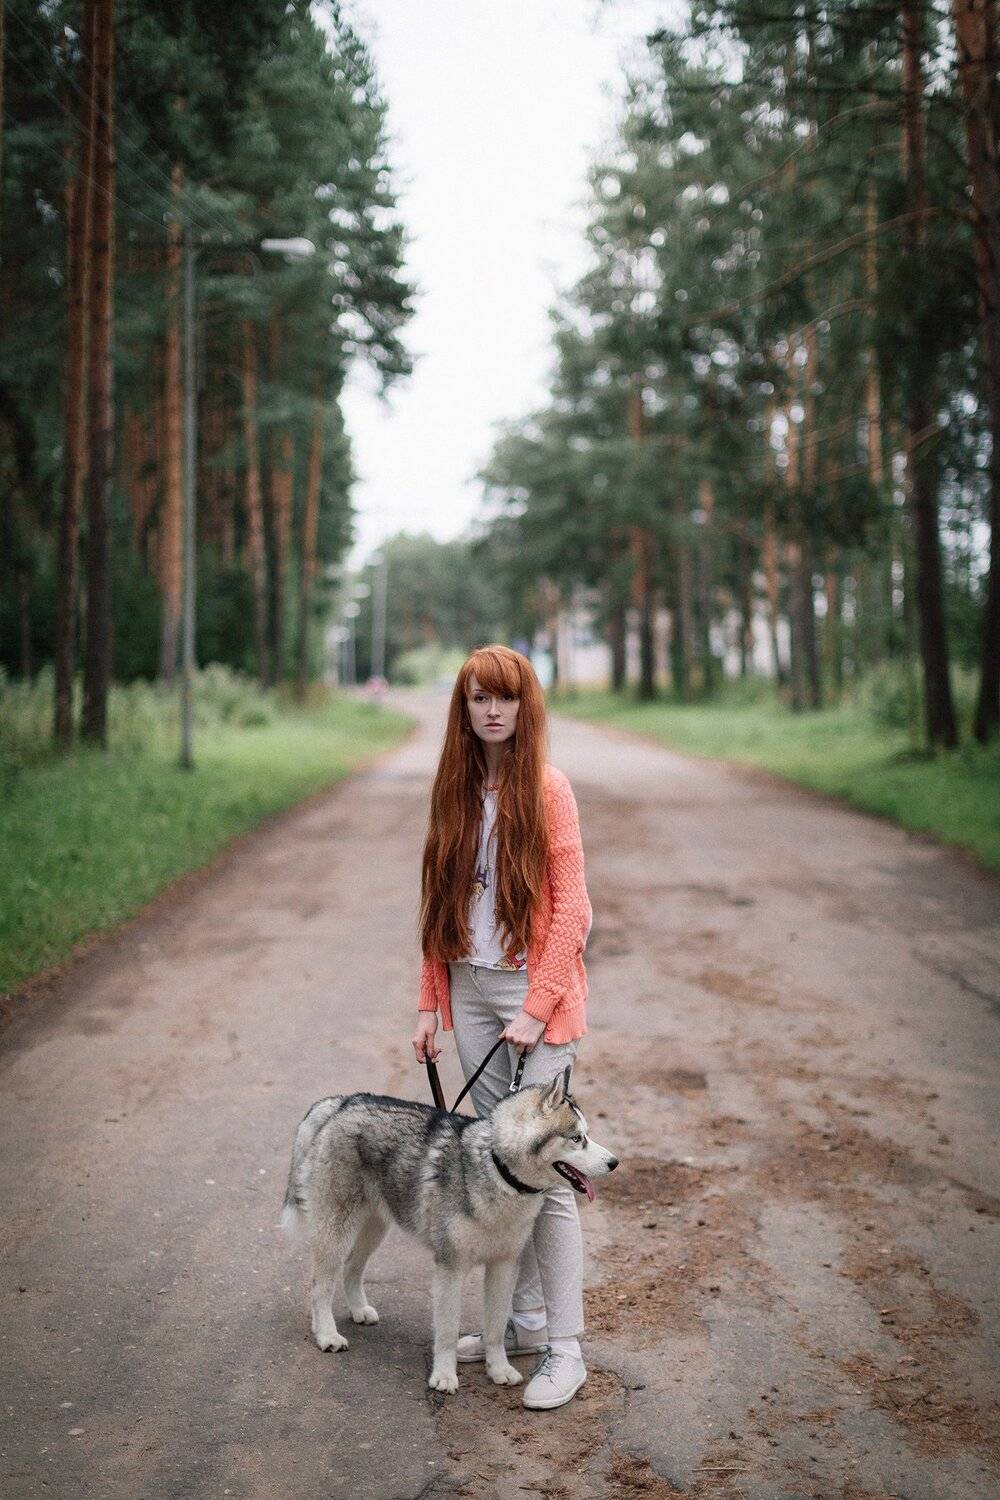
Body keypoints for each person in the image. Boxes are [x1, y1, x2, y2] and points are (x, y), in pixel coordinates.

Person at [411, 643, 593, 1410]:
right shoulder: (452, 790)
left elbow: (575, 911)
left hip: (533, 996)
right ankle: (514, 1322)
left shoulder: (548, 790)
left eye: (505, 698)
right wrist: (430, 1001)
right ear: (464, 708)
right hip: (471, 985)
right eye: (479, 698)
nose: (492, 710)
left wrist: (536, 1008)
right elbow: (436, 903)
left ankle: (564, 1347)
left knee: (545, 1171)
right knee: (497, 1167)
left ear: (525, 707)